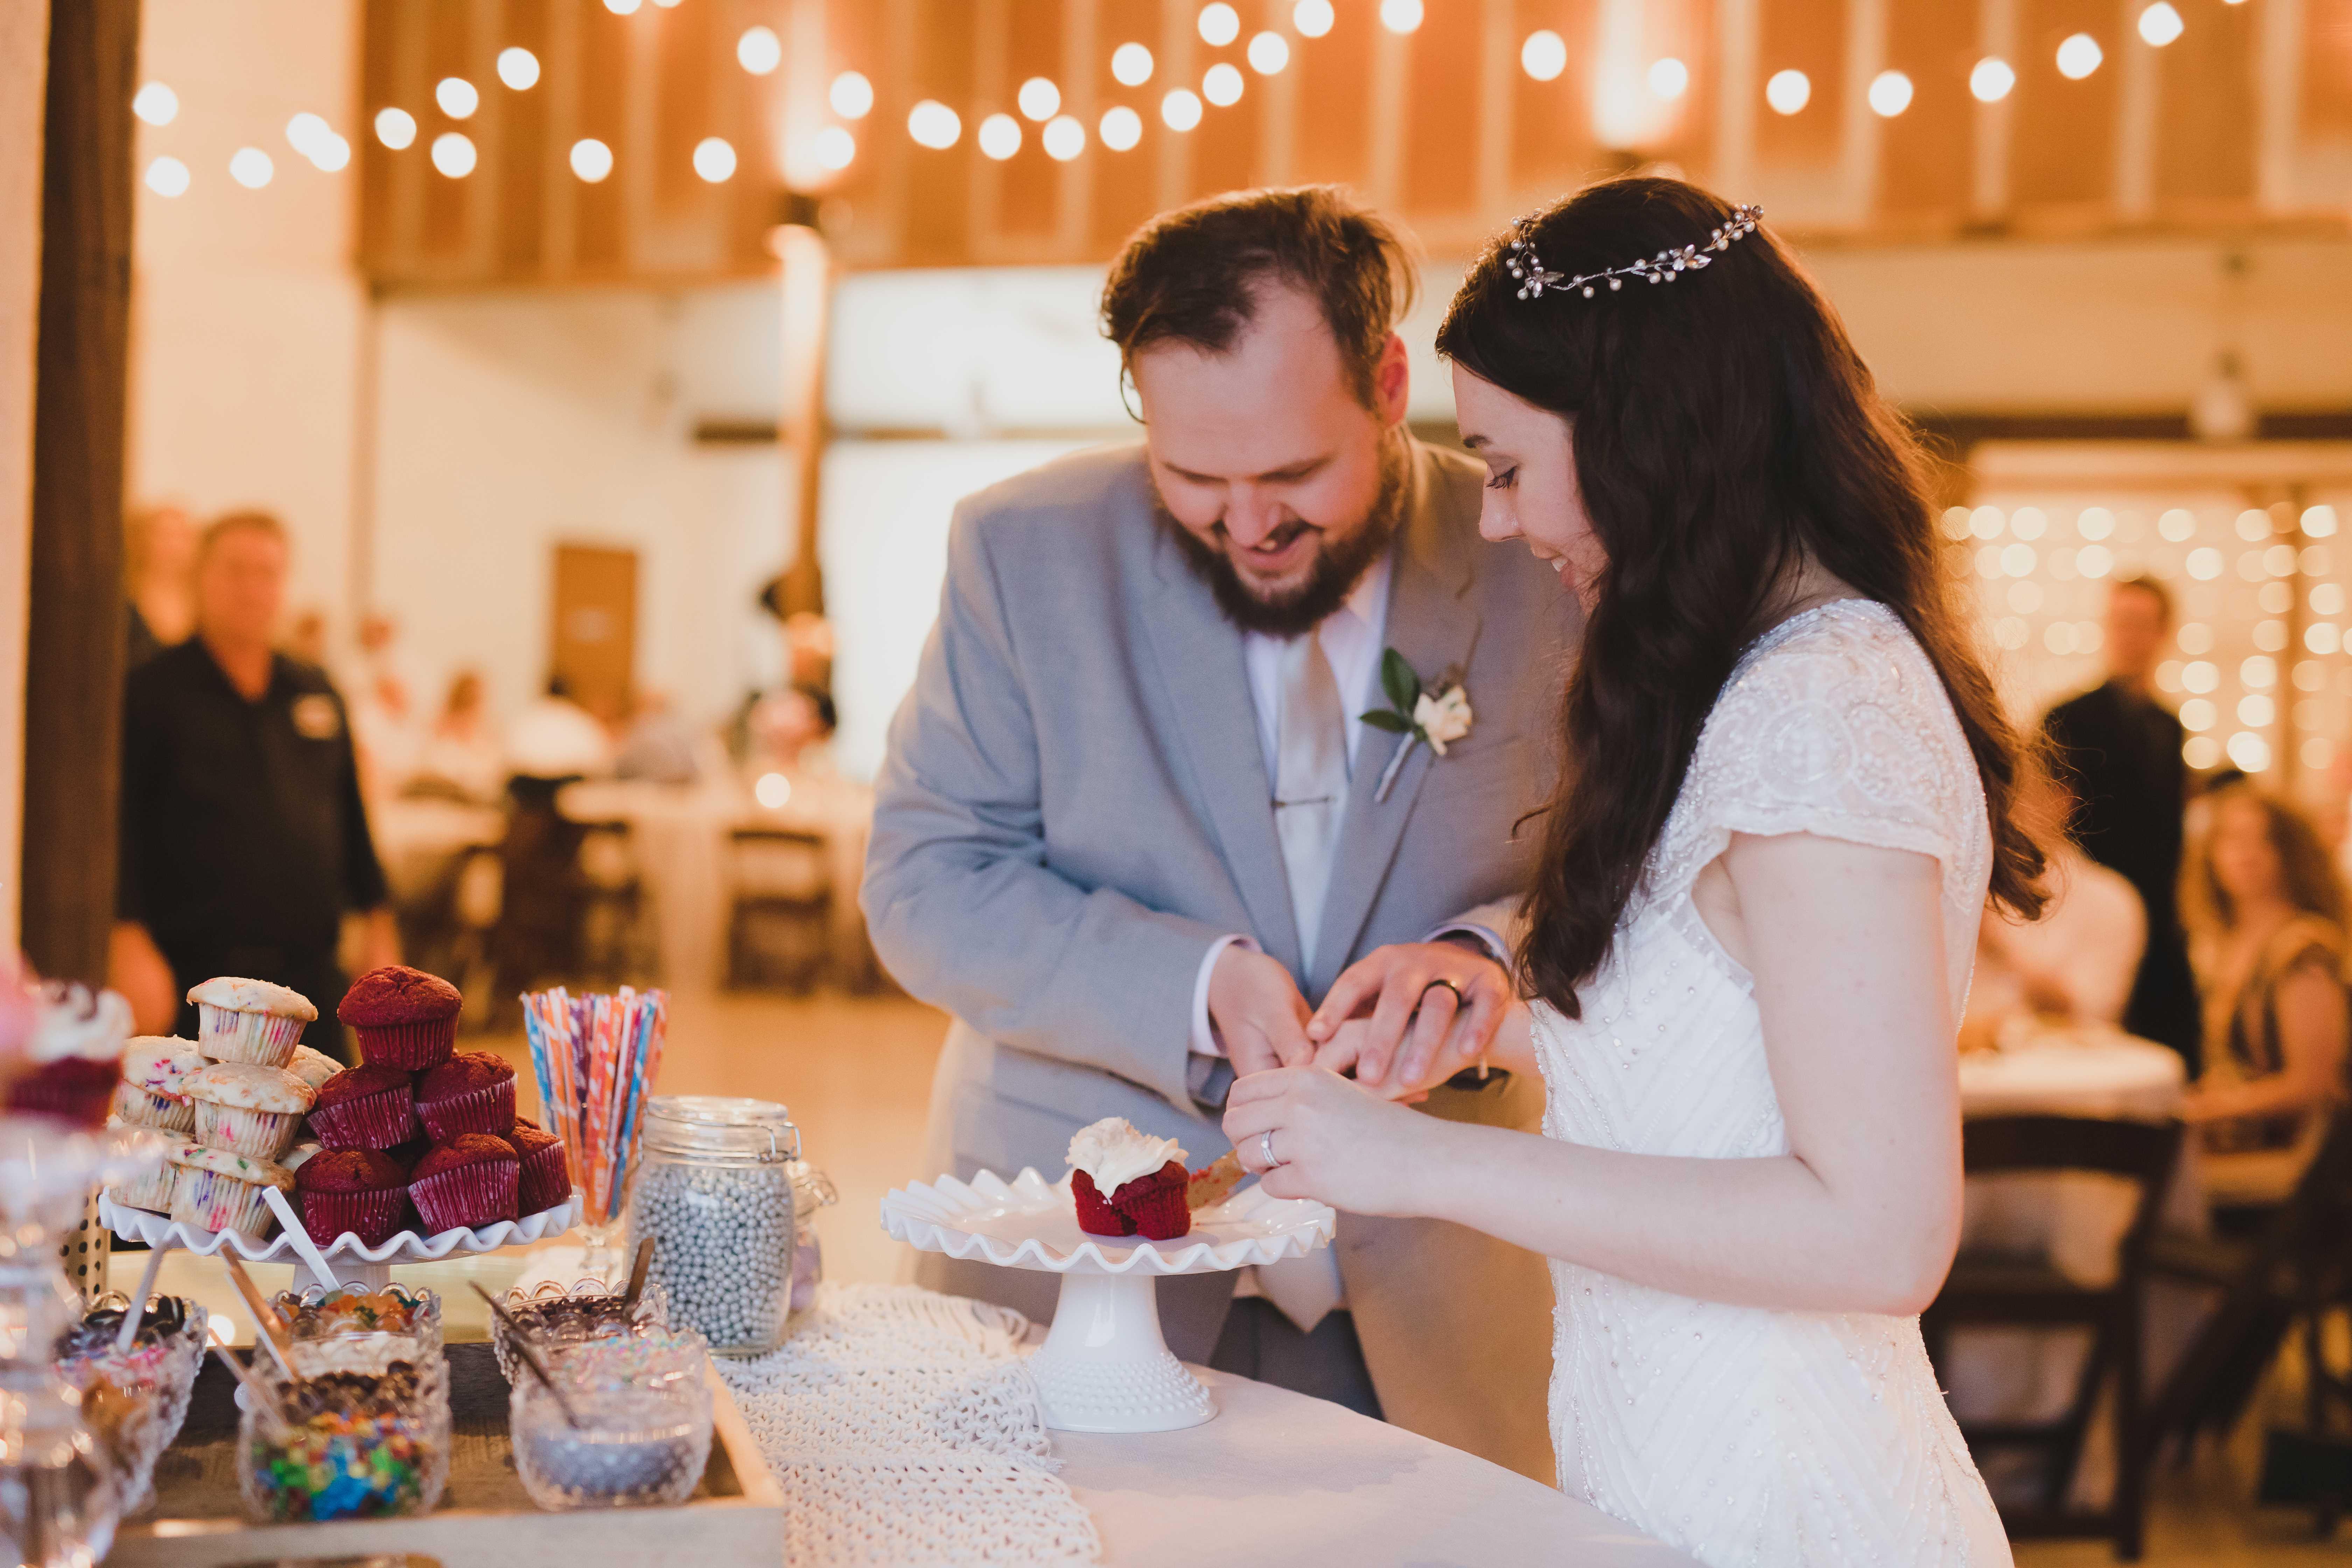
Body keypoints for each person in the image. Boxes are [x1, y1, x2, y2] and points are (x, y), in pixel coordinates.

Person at [1221, 180, 2036, 1565]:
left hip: (1788, 1513)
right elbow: (1725, 1045)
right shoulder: (1752, 683)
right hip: (1660, 1490)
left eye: (1506, 466)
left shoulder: (1823, 709)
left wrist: (1417, 1163)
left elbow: (1881, 1235)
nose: (1494, 520)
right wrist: (1489, 1012)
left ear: (1644, 436)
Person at [862, 186, 1579, 1478]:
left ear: (1387, 384)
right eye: (1193, 477)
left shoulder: (1540, 562)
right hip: (1076, 1275)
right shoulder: (1022, 553)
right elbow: (925, 879)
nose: (1247, 524)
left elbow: (1633, 870)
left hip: (1435, 1282)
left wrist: (1485, 957)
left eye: (1293, 474)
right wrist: (1188, 985)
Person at [112, 511, 398, 1055]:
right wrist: (126, 936)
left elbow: (350, 816)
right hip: (196, 977)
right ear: (201, 578)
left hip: (310, 977)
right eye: (235, 570)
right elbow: (120, 822)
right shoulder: (152, 691)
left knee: (324, 1109)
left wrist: (379, 923)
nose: (252, 588)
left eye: (267, 573)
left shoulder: (314, 690)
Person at [2042, 576, 2199, 1069]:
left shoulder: (2170, 726)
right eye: (2120, 622)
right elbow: (2046, 817)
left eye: (2140, 624)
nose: (2129, 636)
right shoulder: (2067, 718)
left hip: (2158, 912)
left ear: (2163, 632)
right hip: (2089, 906)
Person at [2179, 782, 2350, 1210]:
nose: (2246, 853)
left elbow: (2311, 1086)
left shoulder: (2303, 949)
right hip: (2235, 1141)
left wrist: (2205, 1109)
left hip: (2290, 1158)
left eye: (2264, 840)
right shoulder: (2230, 941)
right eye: (2231, 838)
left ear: (2290, 852)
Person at [1960, 764, 2145, 1052]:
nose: (2004, 810)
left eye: (2019, 795)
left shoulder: (2110, 899)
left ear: (2062, 800)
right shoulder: (1964, 886)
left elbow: (2090, 1015)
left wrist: (1997, 944)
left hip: (2065, 1072)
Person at [122, 503, 198, 668]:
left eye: (182, 536)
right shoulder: (126, 602)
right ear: (144, 540)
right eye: (165, 536)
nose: (174, 546)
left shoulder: (205, 604)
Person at [413, 670, 505, 803]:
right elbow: (427, 767)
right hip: (439, 794)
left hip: (472, 797)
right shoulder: (437, 730)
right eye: (470, 698)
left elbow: (493, 773)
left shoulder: (487, 734)